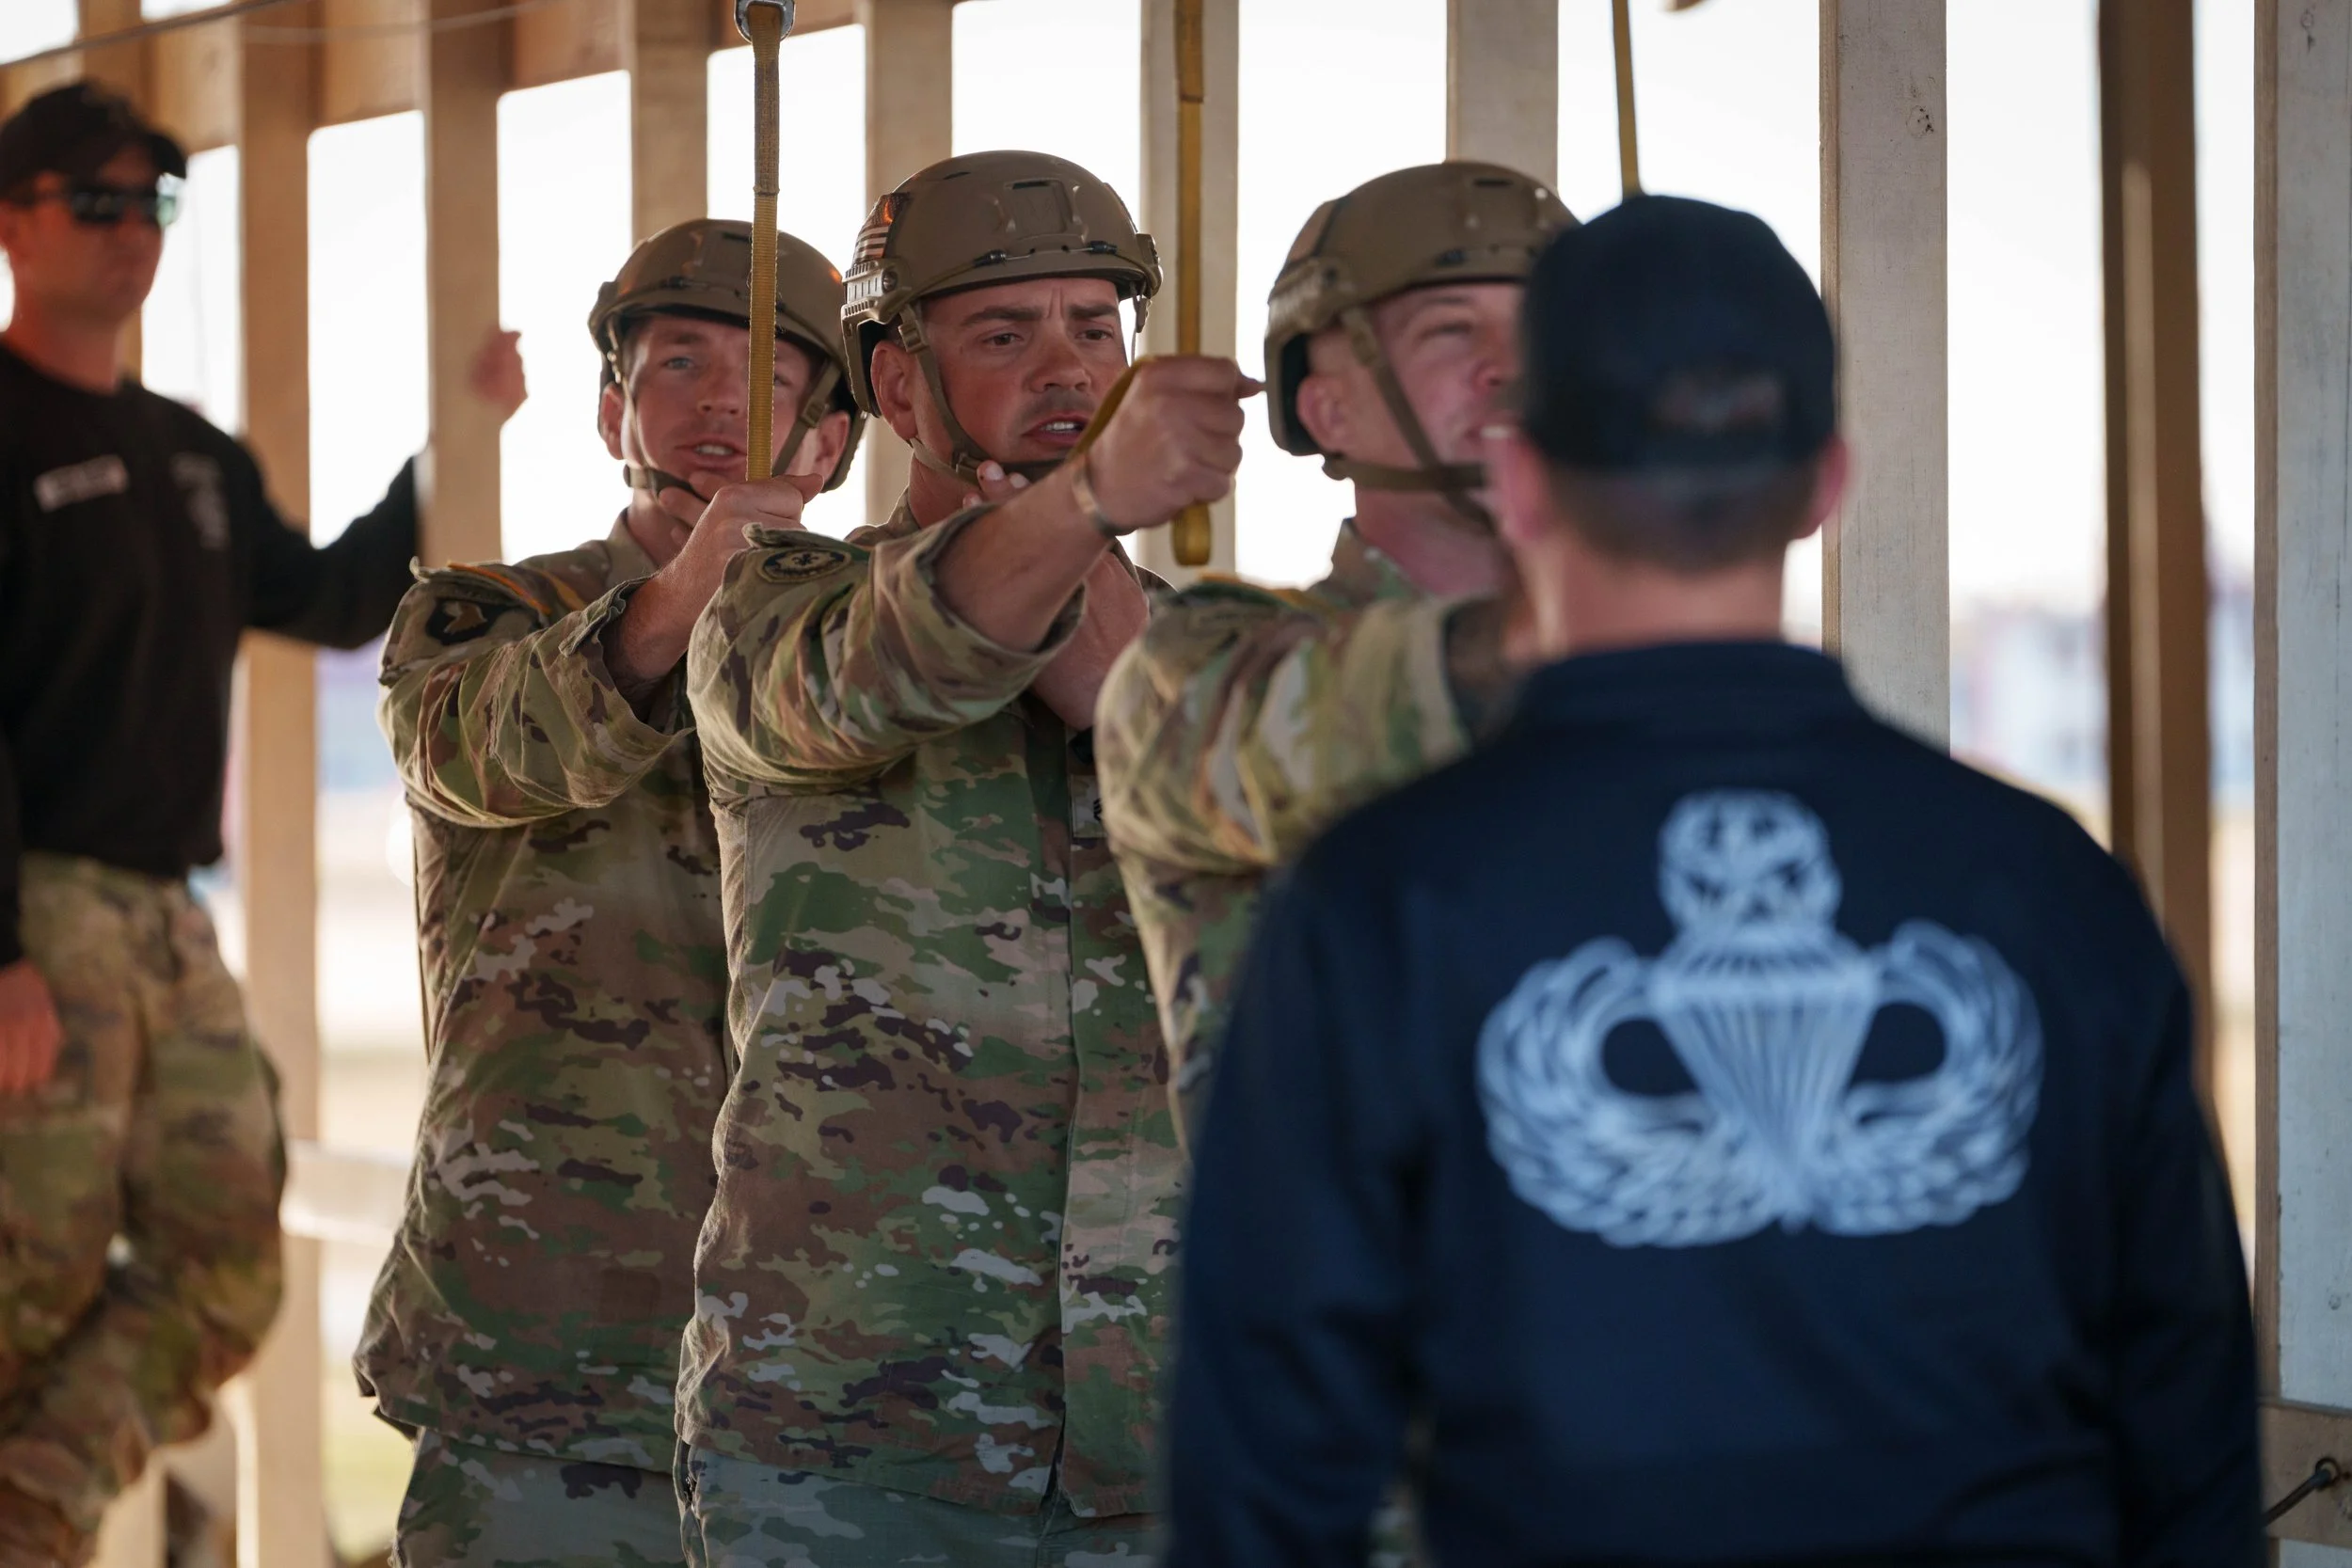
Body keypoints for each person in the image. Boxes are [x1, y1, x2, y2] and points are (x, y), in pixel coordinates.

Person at [1167, 195, 2260, 1567]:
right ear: (1828, 482)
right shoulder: (2047, 882)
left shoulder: (1389, 896)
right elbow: (2189, 1414)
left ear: (1522, 482)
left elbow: (1270, 1457)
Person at [670, 150, 1252, 1566]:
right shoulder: (775, 605)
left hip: (1166, 1434)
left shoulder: (1221, 646)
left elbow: (1206, 770)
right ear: (899, 383)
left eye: (1096, 328)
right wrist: (1084, 503)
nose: (1066, 366)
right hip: (855, 1444)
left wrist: (1089, 525)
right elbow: (913, 653)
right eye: (1005, 332)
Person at [0, 81, 524, 1566]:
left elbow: (336, 595)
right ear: (12, 221)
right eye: (94, 201)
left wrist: (455, 441)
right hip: (34, 909)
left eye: (153, 204)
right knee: (22, 1278)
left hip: (166, 910)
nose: (131, 234)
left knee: (228, 1255)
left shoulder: (186, 453)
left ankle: (26, 1511)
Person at [359, 219, 856, 1568]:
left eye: (769, 374)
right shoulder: (483, 614)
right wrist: (684, 595)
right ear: (609, 407)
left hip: (829, 1360)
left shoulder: (864, 652)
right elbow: (475, 746)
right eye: (677, 364)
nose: (717, 405)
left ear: (834, 435)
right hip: (546, 1338)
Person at [1098, 161, 1568, 1144]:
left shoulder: (1656, 664)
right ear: (1327, 409)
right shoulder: (1205, 664)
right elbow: (1358, 724)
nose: (1507, 367)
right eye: (1451, 331)